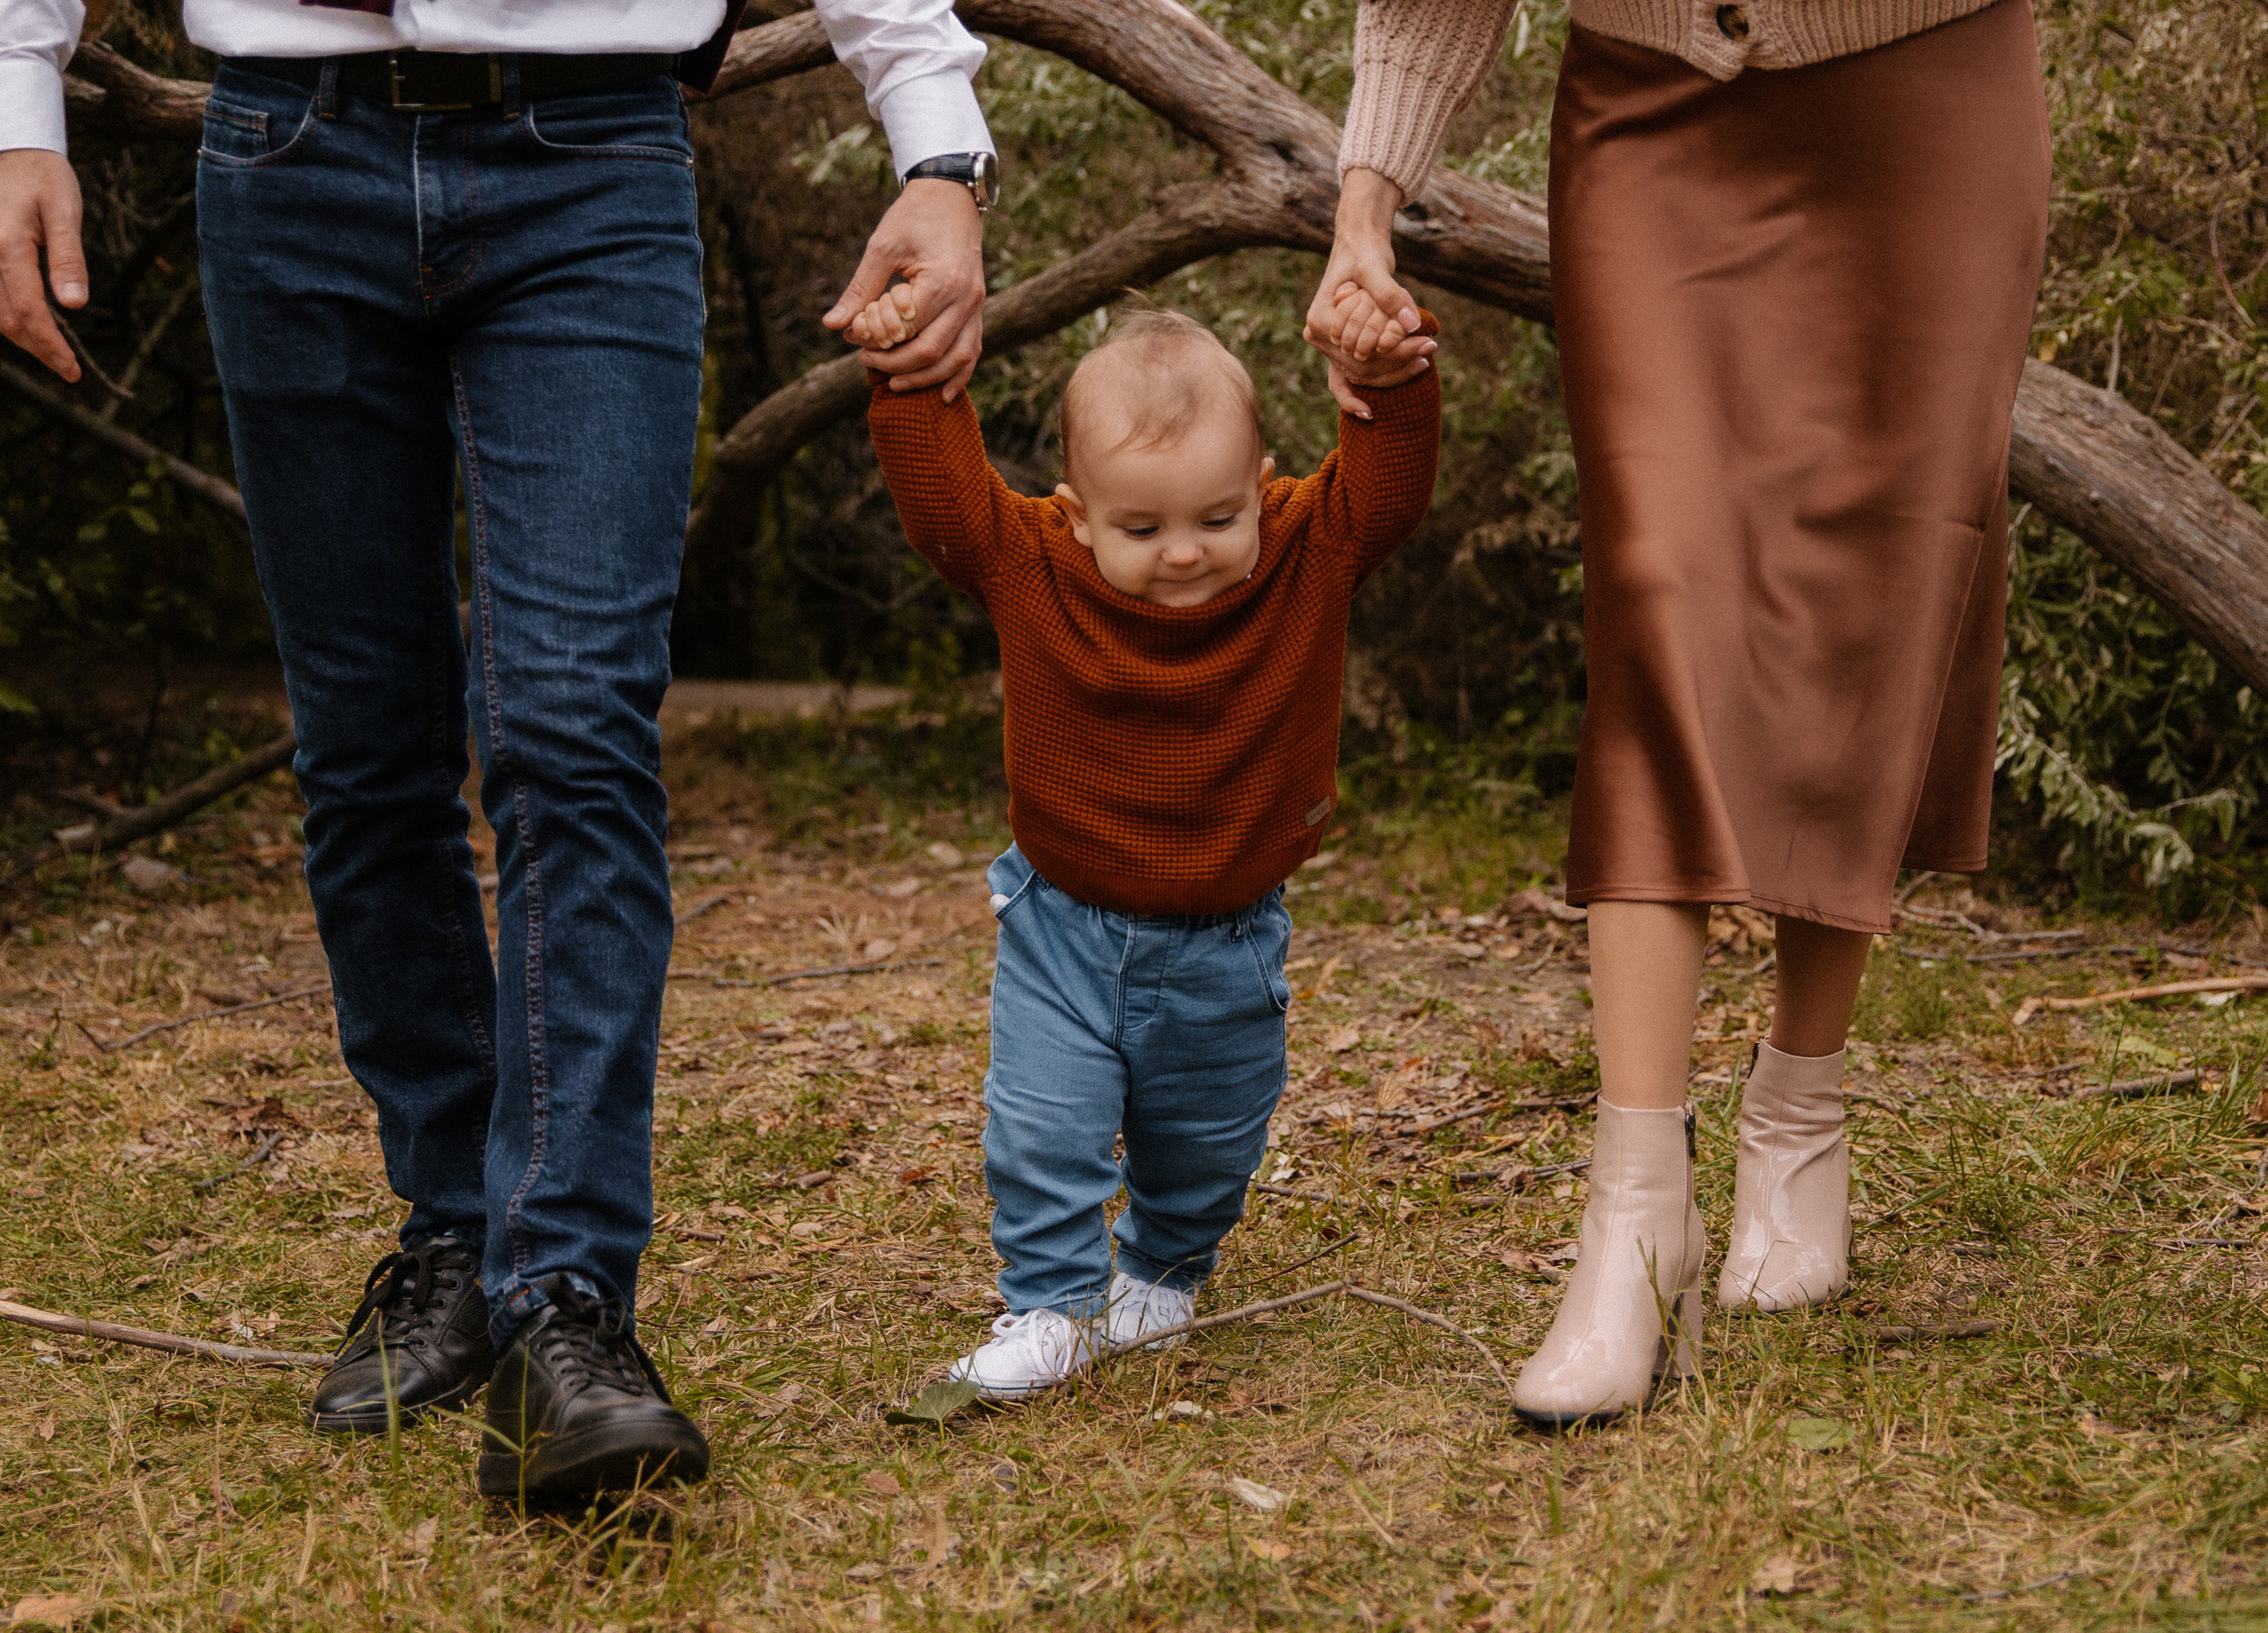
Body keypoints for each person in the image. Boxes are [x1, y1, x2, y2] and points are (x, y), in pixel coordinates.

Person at [0, 0, 1000, 1498]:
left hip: (592, 151)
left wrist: (939, 141)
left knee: (575, 729)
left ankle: (568, 1304)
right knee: (366, 748)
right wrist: (20, 96)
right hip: (288, 147)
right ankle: (456, 1227)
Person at [1307, 0, 2049, 1426]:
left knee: (1880, 588)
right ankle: (1635, 1212)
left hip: (1926, 87)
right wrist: (1366, 207)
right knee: (1655, 584)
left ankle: (1799, 1109)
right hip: (1652, 103)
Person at [850, 294, 1441, 1397]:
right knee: (1042, 1125)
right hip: (1061, 924)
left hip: (1230, 937)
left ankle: (1164, 1271)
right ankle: (1052, 1304)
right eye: (1141, 529)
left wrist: (1390, 382)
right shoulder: (1033, 564)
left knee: (1210, 1138)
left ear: (1262, 481)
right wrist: (909, 374)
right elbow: (947, 509)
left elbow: (1388, 490)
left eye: (1218, 518)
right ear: (1076, 514)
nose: (1184, 555)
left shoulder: (1304, 553)